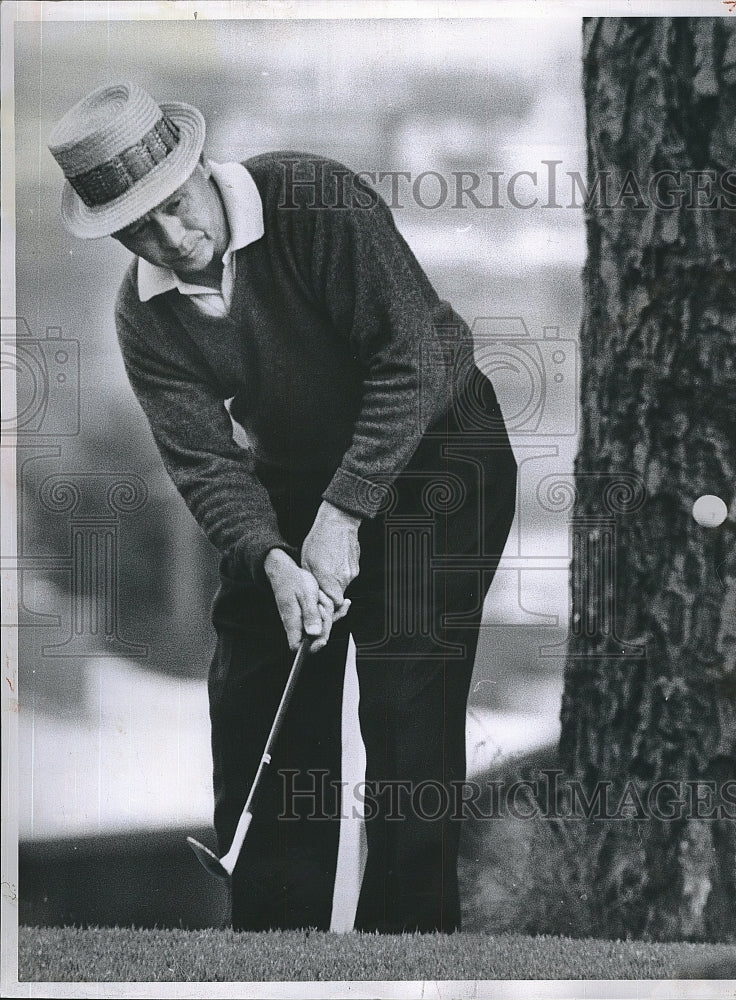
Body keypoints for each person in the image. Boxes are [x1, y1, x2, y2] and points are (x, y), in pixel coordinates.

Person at [48, 80, 518, 933]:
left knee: (404, 699)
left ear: (197, 168)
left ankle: (403, 950)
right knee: (257, 680)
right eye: (135, 230)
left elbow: (407, 363)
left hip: (440, 453)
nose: (171, 240)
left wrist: (342, 517)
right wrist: (271, 557)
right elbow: (205, 464)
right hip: (297, 474)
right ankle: (275, 943)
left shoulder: (314, 199)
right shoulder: (142, 314)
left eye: (175, 207)